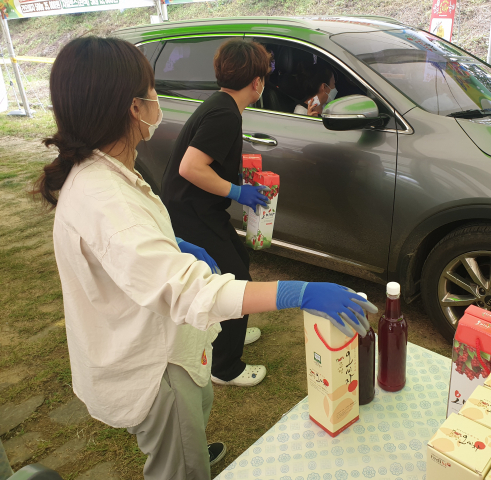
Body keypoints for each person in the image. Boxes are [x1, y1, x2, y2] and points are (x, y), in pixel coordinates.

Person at [32, 36, 375, 480]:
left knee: (195, 409)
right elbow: (191, 291)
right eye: (150, 89)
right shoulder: (106, 200)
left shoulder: (105, 170)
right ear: (133, 107)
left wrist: (172, 244)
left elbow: (133, 256)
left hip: (162, 342)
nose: (158, 99)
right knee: (179, 461)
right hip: (153, 363)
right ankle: (183, 458)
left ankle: (186, 443)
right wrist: (300, 291)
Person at [160, 40, 271, 387]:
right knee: (234, 274)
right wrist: (238, 192)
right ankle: (225, 367)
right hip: (190, 211)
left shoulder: (222, 104)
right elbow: (190, 167)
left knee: (237, 259)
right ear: (256, 82)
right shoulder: (224, 113)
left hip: (199, 207)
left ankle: (229, 330)